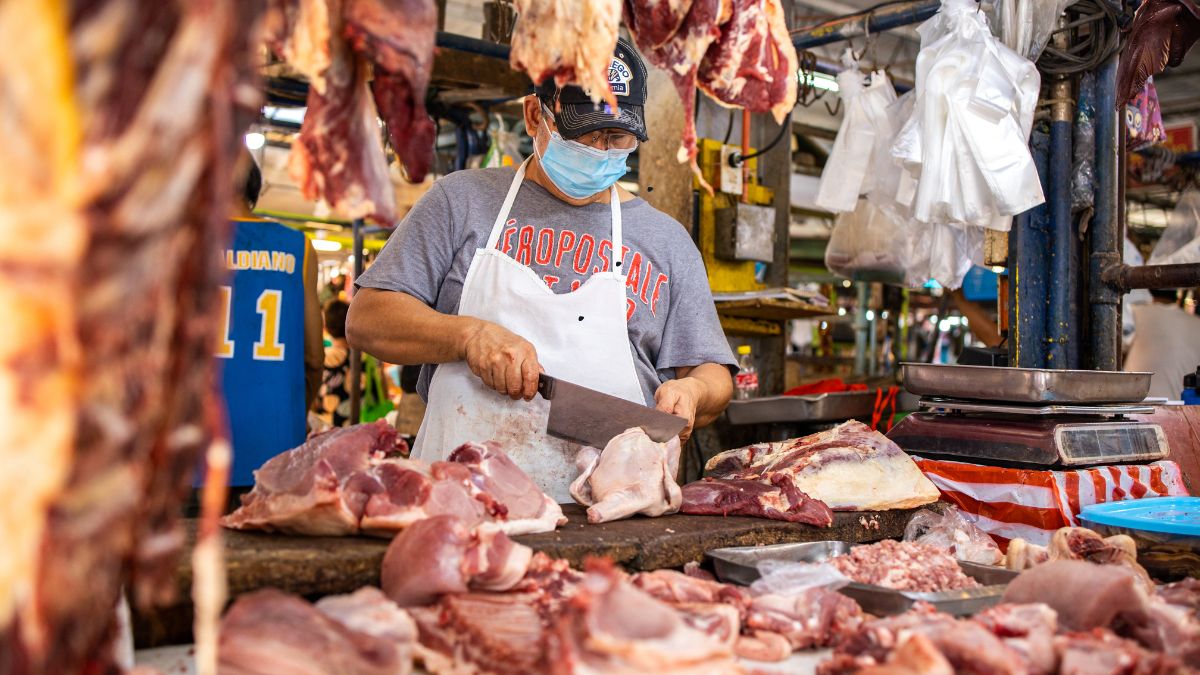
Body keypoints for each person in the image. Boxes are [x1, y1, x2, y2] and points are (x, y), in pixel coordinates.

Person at [347, 38, 735, 502]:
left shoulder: (666, 240)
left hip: (606, 514)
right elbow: (368, 318)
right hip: (461, 504)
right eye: (584, 134)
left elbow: (714, 374)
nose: (600, 150)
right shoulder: (460, 201)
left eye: (617, 138)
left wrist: (692, 392)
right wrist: (467, 336)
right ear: (535, 115)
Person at [218, 154, 324, 486]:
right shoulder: (298, 248)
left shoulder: (180, 244)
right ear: (255, 187)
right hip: (275, 445)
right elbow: (313, 356)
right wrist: (295, 413)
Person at [1124, 289, 1200, 399]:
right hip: (1185, 408)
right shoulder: (1197, 322)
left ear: (1149, 292)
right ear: (1178, 296)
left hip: (1144, 406)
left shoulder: (1136, 313)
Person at [321, 299, 353, 427]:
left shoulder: (323, 358)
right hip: (363, 429)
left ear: (326, 327)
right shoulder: (368, 358)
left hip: (328, 429)